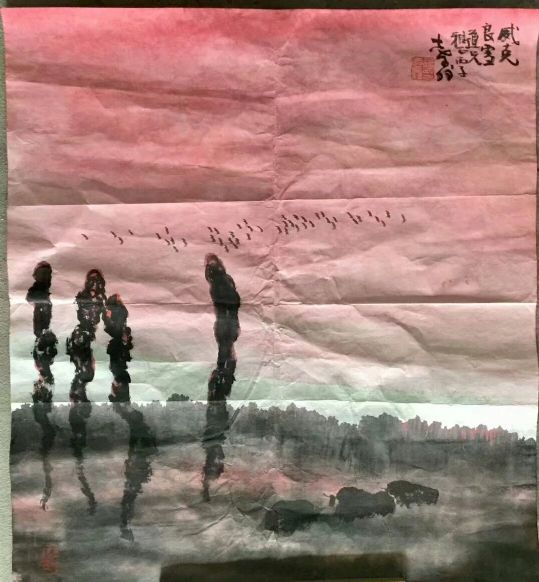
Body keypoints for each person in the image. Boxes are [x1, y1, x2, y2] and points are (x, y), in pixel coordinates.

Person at [204, 254, 241, 397]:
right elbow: (234, 303)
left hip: (225, 323)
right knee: (228, 354)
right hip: (227, 323)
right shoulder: (223, 283)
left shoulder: (218, 284)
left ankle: (222, 381)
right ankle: (222, 382)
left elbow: (232, 304)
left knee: (226, 354)